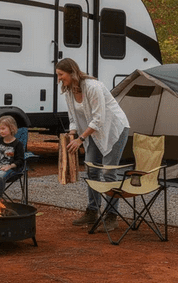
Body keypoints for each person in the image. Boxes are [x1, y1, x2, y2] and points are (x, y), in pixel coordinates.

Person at [55, 58, 131, 230]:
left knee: (108, 171)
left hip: (114, 130)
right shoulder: (68, 90)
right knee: (91, 169)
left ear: (71, 72)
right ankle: (92, 211)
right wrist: (72, 133)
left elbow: (99, 119)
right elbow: (73, 117)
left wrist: (80, 139)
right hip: (93, 132)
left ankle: (111, 216)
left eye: (61, 75)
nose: (59, 79)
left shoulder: (92, 87)